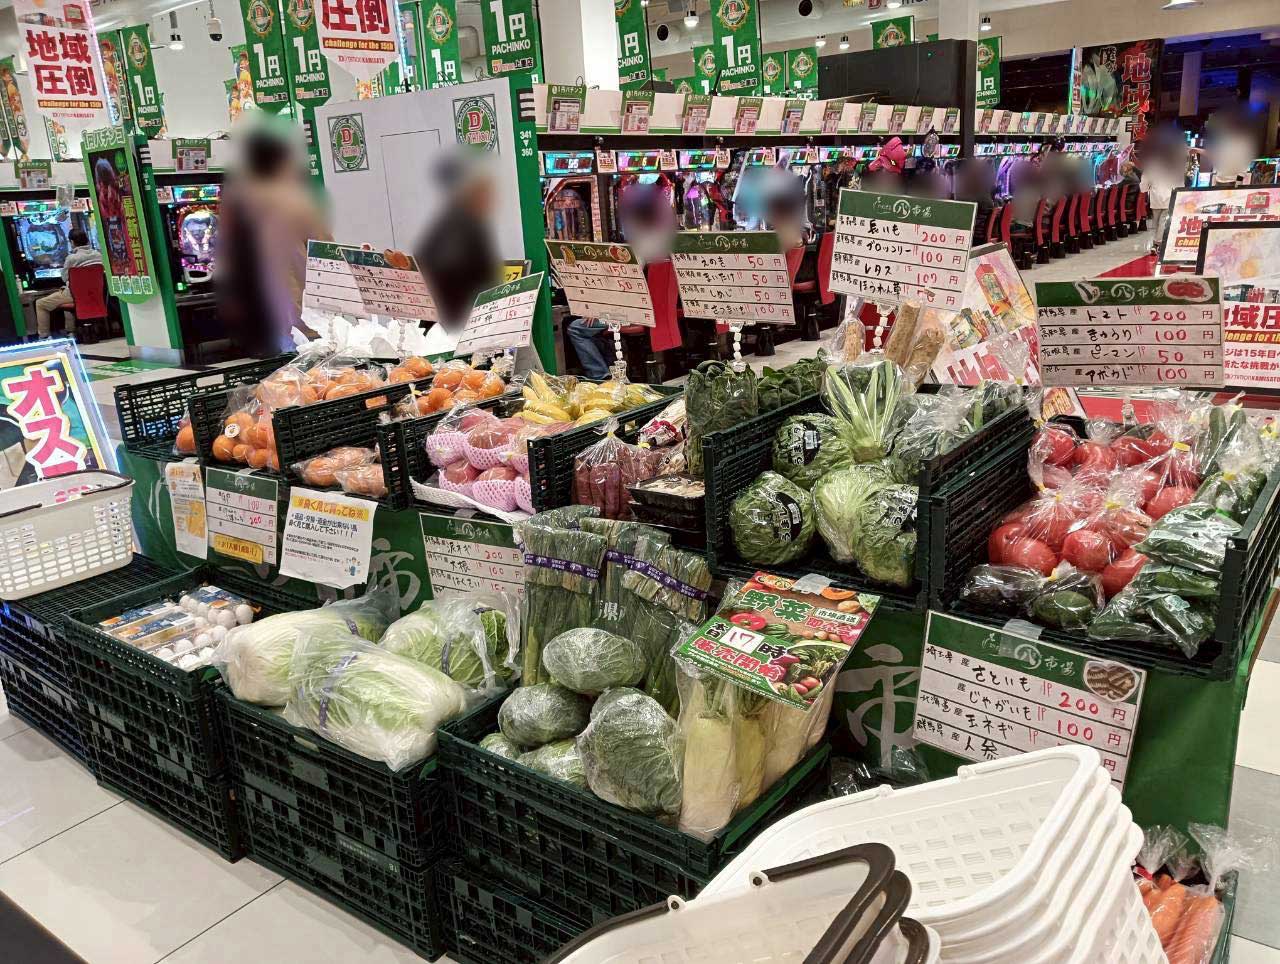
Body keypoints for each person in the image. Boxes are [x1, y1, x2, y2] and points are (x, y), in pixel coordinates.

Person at [216, 118, 331, 357]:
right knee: (311, 373)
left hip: (257, 318)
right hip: (301, 316)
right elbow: (327, 254)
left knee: (276, 376)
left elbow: (226, 256)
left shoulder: (236, 203)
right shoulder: (296, 202)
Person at [35, 227, 102, 338]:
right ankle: (71, 331)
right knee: (67, 296)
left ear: (72, 242)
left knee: (40, 303)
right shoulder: (98, 255)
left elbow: (65, 278)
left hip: (75, 295)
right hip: (96, 294)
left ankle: (44, 336)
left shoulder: (71, 258)